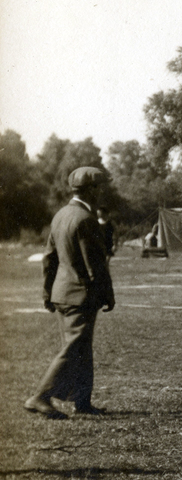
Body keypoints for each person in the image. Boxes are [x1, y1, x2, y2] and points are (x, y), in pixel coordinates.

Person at [25, 166, 116, 419]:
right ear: (91, 190)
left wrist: (47, 293)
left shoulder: (61, 215)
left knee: (81, 347)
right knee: (75, 346)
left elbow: (48, 258)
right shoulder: (85, 219)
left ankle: (82, 402)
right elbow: (95, 263)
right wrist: (107, 293)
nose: (101, 193)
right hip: (80, 294)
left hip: (61, 293)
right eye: (99, 188)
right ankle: (40, 396)